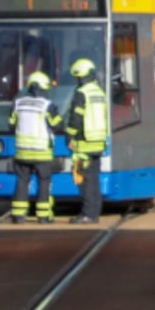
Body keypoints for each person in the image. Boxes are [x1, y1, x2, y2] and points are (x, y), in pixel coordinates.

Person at [9, 71, 64, 224]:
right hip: (42, 154)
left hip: (22, 152)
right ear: (41, 88)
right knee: (44, 182)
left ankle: (18, 216)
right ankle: (43, 216)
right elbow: (57, 125)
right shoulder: (47, 105)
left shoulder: (18, 103)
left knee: (21, 181)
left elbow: (11, 125)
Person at [66, 58, 108, 224]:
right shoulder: (99, 92)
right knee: (94, 179)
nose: (77, 81)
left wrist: (69, 135)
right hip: (98, 142)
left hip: (84, 143)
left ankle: (88, 215)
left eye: (78, 78)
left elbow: (76, 118)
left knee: (85, 180)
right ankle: (94, 213)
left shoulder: (82, 93)